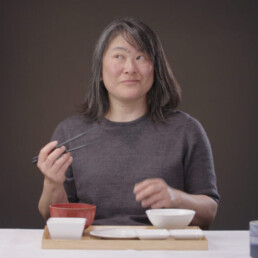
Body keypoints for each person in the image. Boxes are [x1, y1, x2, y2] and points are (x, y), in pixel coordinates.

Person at [37, 18, 219, 229]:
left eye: (140, 57)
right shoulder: (69, 132)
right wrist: (52, 183)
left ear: (155, 68)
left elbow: (209, 212)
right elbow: (53, 219)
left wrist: (176, 198)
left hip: (164, 248)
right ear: (100, 70)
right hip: (91, 248)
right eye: (119, 56)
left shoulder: (186, 130)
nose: (130, 68)